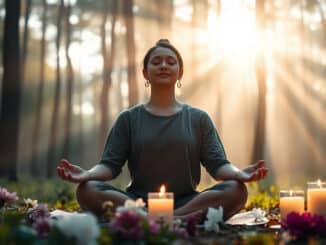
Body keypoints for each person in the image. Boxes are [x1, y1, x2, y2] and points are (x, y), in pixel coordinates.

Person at [57, 39, 268, 221]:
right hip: (137, 201)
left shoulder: (198, 118)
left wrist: (239, 173)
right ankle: (169, 219)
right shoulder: (129, 119)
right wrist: (87, 174)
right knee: (87, 190)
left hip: (187, 201)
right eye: (156, 62)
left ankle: (164, 219)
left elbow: (218, 165)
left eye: (171, 61)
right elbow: (109, 166)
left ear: (180, 72)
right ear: (145, 73)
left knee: (236, 190)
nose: (163, 66)